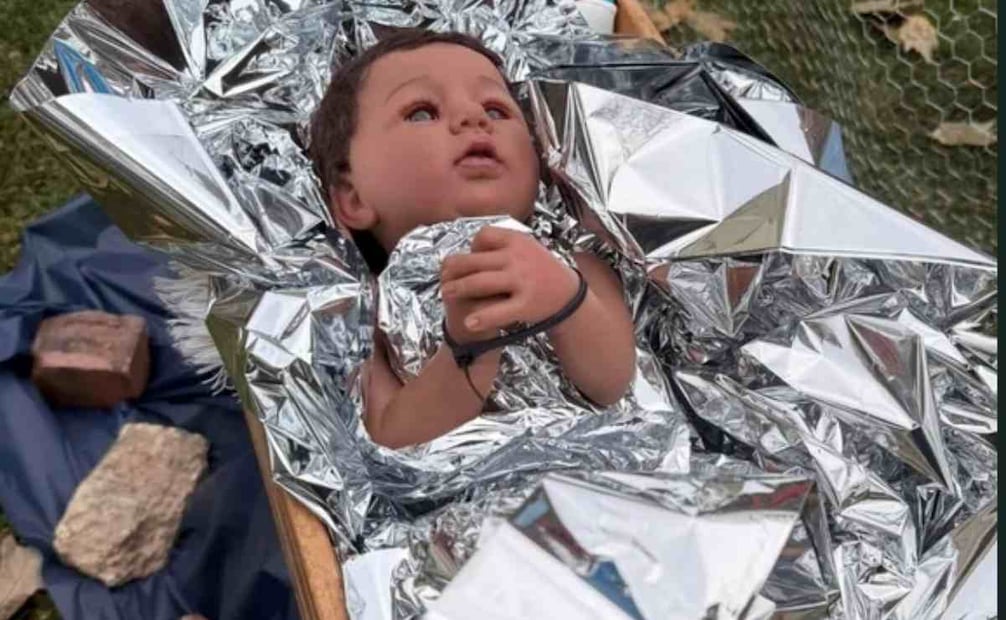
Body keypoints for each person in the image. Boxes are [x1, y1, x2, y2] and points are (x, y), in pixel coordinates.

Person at [310, 29, 636, 449]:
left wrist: (564, 299)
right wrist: (468, 349)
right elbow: (391, 435)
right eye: (423, 112)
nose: (473, 117)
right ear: (352, 196)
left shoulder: (575, 263)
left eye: (497, 110)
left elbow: (612, 383)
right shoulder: (362, 308)